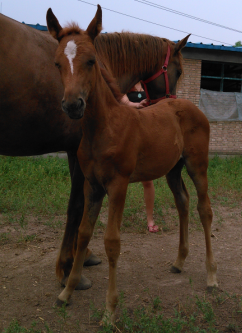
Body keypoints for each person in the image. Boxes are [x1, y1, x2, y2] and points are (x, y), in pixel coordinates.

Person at [120, 82, 159, 233]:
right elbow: (123, 101)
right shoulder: (125, 83)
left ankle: (150, 220)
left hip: (144, 136)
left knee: (148, 180)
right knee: (120, 180)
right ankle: (116, 218)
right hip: (126, 136)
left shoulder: (146, 84)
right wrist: (136, 105)